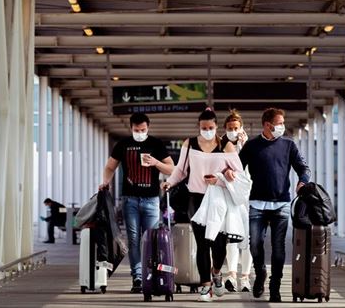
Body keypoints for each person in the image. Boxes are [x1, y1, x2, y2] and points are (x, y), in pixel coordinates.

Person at [162, 108, 243, 302]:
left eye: (211, 127)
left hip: (219, 198)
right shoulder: (189, 144)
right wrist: (170, 182)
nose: (207, 131)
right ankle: (205, 287)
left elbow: (239, 174)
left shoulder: (226, 146)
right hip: (196, 199)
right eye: (203, 127)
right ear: (199, 127)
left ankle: (216, 273)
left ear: (216, 127)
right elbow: (181, 170)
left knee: (219, 246)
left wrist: (221, 179)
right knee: (202, 243)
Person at [238, 108, 311, 302]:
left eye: (282, 123)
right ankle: (260, 271)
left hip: (281, 204)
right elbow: (236, 167)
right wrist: (228, 173)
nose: (282, 127)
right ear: (267, 125)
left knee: (279, 248)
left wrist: (302, 180)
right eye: (278, 123)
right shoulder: (252, 146)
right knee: (255, 244)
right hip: (257, 204)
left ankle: (275, 287)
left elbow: (303, 168)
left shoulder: (289, 145)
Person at [99, 113, 174, 293]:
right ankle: (138, 277)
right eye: (136, 130)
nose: (139, 133)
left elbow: (171, 168)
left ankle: (151, 274)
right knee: (133, 240)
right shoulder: (123, 144)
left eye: (143, 130)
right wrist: (106, 181)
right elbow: (110, 166)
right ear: (130, 128)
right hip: (130, 199)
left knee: (150, 240)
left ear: (148, 127)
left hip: (151, 200)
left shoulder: (156, 144)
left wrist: (156, 162)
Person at [220, 110, 253, 292]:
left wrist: (244, 145)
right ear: (225, 129)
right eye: (230, 128)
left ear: (241, 128)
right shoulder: (220, 145)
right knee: (232, 236)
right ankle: (232, 274)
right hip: (230, 196)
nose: (233, 131)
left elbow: (251, 167)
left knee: (248, 238)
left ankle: (245, 277)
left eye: (236, 128)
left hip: (247, 196)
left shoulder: (249, 145)